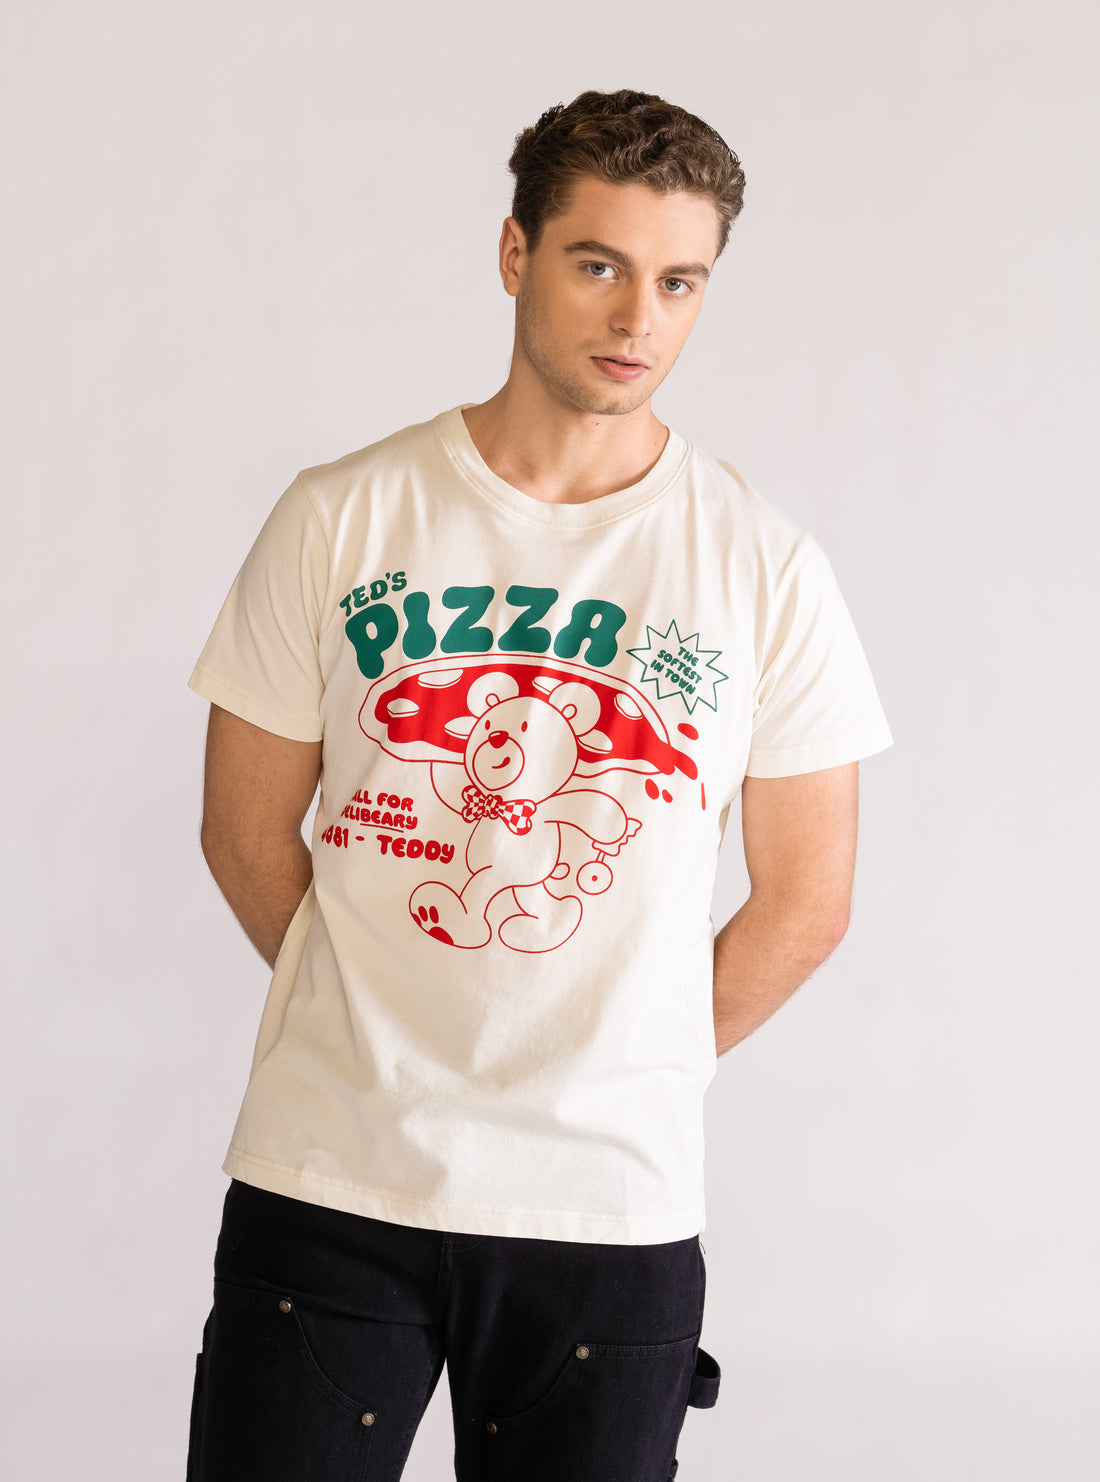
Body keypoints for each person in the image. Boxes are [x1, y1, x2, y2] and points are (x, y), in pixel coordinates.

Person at [184, 87, 892, 1482]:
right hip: (333, 1179)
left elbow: (807, 902)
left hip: (607, 1206)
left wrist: (623, 1049)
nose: (639, 318)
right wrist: (380, 1014)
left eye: (680, 281)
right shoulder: (342, 515)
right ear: (515, 254)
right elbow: (241, 829)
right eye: (599, 264)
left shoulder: (763, 565)